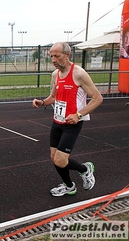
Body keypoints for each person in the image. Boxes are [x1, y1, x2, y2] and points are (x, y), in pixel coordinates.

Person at [32, 42, 103, 197]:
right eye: (51, 56)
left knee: (60, 160)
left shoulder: (79, 73)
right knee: (54, 158)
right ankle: (69, 186)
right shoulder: (55, 74)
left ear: (67, 55)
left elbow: (97, 98)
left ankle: (85, 169)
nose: (53, 60)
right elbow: (54, 97)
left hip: (72, 123)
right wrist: (42, 102)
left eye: (57, 56)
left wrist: (78, 115)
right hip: (57, 121)